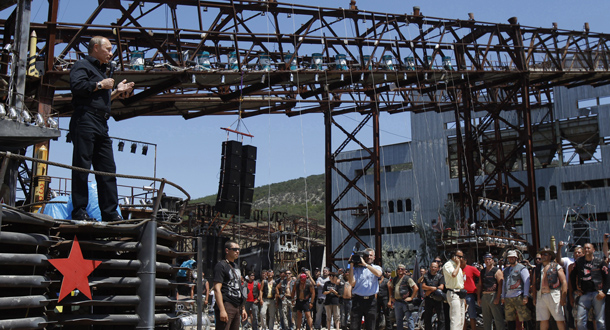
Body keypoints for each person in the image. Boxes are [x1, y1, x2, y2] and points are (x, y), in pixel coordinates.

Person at [69, 36, 134, 221]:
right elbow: (77, 87)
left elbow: (100, 99)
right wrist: (100, 84)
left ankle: (110, 213)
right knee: (82, 166)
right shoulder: (82, 65)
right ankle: (79, 210)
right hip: (85, 118)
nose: (111, 53)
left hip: (101, 122)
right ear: (95, 48)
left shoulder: (103, 71)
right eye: (108, 49)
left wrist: (117, 91)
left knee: (107, 168)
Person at [573, 242, 609, 330]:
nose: (586, 250)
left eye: (588, 248)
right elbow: (572, 276)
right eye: (585, 248)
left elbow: (607, 277)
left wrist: (604, 291)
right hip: (584, 293)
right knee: (580, 320)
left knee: (600, 320)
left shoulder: (600, 262)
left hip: (598, 293)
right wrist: (575, 289)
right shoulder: (579, 262)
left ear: (593, 250)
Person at [213, 240, 247, 330]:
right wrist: (222, 310)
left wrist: (242, 308)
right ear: (227, 250)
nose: (237, 251)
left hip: (237, 306)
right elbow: (217, 289)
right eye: (235, 249)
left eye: (238, 249)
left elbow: (240, 288)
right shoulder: (221, 265)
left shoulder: (236, 266)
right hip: (227, 304)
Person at [532, 247, 567, 330]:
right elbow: (534, 284)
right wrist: (534, 297)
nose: (543, 256)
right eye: (542, 254)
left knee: (559, 319)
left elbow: (564, 282)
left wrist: (563, 297)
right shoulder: (537, 268)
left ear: (550, 256)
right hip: (541, 295)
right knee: (543, 320)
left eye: (545, 254)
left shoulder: (556, 266)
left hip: (554, 295)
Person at [348, 248, 383, 330]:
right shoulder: (357, 269)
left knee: (370, 326)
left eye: (371, 255)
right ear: (363, 257)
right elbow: (352, 283)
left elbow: (378, 274)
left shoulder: (377, 267)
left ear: (374, 257)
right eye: (367, 255)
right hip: (358, 300)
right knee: (354, 326)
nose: (369, 257)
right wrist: (351, 264)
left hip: (371, 301)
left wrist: (366, 265)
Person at [502, 250, 533, 330]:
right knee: (510, 319)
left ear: (516, 258)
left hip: (519, 295)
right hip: (508, 297)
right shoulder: (505, 270)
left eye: (513, 257)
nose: (511, 259)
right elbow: (504, 283)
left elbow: (526, 282)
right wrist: (503, 296)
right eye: (509, 257)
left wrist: (525, 295)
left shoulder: (522, 268)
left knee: (525, 317)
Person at [477, 253, 504, 330]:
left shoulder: (497, 271)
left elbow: (500, 285)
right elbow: (479, 285)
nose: (487, 261)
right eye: (485, 260)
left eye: (489, 259)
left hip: (493, 295)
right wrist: (479, 297)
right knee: (486, 319)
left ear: (492, 260)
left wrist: (498, 297)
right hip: (484, 296)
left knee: (498, 318)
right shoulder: (482, 271)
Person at [388, 264, 418, 330]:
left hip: (405, 302)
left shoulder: (407, 279)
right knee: (398, 320)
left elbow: (416, 288)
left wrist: (411, 298)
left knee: (409, 319)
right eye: (399, 269)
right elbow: (390, 287)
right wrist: (391, 297)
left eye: (402, 269)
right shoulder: (395, 279)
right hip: (397, 302)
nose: (400, 270)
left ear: (404, 271)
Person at [442, 250, 465, 330]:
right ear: (454, 256)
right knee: (456, 318)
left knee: (462, 318)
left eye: (462, 257)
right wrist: (458, 264)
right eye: (459, 256)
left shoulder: (457, 266)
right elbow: (453, 274)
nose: (461, 259)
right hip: (453, 293)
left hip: (460, 294)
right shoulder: (448, 265)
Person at [422, 261, 445, 330]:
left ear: (437, 268)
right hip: (428, 299)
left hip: (437, 299)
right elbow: (423, 286)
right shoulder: (426, 276)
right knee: (427, 318)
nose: (433, 268)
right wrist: (432, 288)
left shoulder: (440, 276)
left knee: (441, 318)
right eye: (432, 267)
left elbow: (441, 287)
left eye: (435, 267)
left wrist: (430, 290)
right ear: (430, 267)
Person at [461, 255, 480, 330]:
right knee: (462, 316)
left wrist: (478, 286)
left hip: (469, 294)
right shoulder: (457, 270)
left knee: (472, 314)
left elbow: (480, 276)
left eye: (462, 261)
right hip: (460, 295)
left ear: (465, 261)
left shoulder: (471, 268)